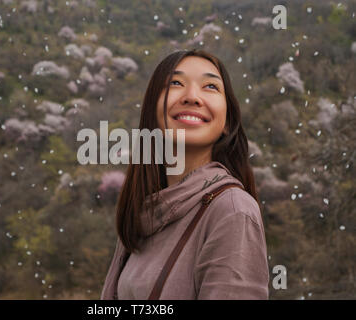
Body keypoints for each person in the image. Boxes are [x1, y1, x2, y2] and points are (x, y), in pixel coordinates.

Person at [101, 49, 269, 300]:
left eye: (210, 86)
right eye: (176, 83)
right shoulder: (142, 214)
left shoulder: (232, 211)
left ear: (226, 123)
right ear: (151, 110)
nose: (192, 97)